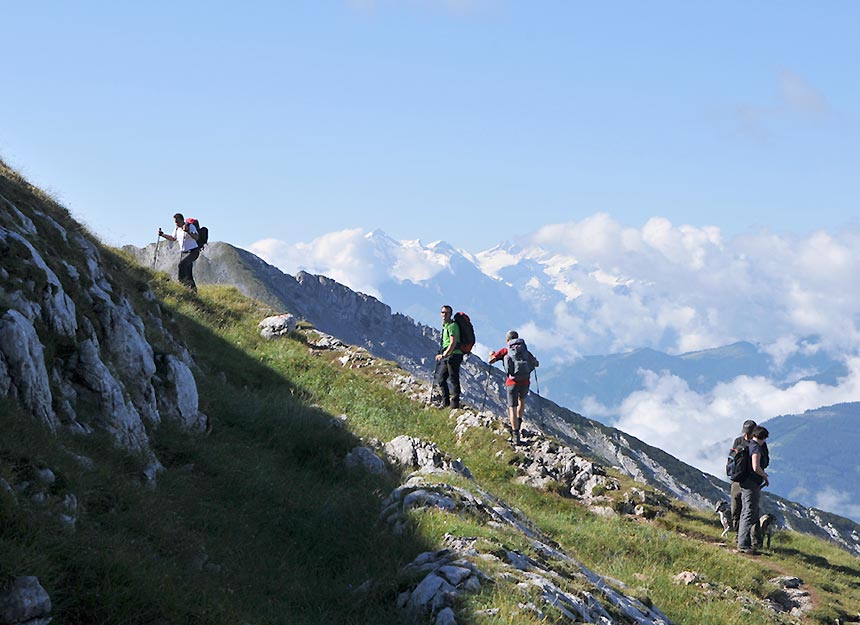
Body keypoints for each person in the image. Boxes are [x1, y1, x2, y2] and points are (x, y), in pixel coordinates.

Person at [488, 330, 539, 445]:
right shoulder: (525, 351)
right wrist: (534, 360)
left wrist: (491, 354)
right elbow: (536, 364)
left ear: (507, 340)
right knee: (522, 401)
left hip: (512, 382)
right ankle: (519, 423)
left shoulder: (506, 350)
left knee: (512, 408)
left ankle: (515, 435)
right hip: (525, 381)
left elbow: (490, 361)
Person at [738, 425, 770, 554]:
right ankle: (743, 545)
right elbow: (755, 466)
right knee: (749, 512)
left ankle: (743, 541)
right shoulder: (756, 447)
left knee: (746, 511)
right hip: (751, 484)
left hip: (745, 482)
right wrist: (765, 476)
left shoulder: (750, 444)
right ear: (763, 437)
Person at [158, 213, 200, 292]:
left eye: (177, 221)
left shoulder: (190, 226)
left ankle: (181, 284)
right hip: (184, 253)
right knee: (188, 272)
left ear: (182, 220)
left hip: (193, 251)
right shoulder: (177, 229)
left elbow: (197, 237)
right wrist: (162, 235)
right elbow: (173, 238)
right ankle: (193, 291)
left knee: (181, 265)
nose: (176, 223)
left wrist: (188, 231)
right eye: (175, 222)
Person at [729, 420, 757, 534]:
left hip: (751, 482)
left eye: (748, 433)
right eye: (745, 432)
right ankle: (737, 534)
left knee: (749, 510)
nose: (746, 435)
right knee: (736, 509)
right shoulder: (737, 441)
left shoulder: (758, 444)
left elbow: (765, 461)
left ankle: (749, 536)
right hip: (737, 480)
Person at [434, 305, 463, 409]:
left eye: (446, 313)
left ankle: (455, 403)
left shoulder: (452, 326)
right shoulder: (446, 326)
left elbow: (453, 342)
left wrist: (443, 355)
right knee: (441, 379)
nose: (444, 314)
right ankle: (445, 402)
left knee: (453, 378)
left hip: (454, 354)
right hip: (449, 355)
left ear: (450, 314)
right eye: (442, 312)